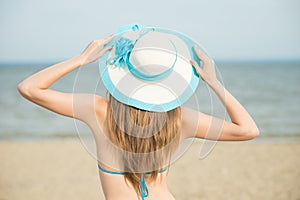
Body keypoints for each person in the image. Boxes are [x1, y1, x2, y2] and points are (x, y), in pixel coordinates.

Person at [18, 26, 259, 200]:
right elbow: (248, 130)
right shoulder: (180, 119)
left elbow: (29, 88)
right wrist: (214, 82)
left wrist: (80, 60)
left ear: (121, 75)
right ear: (170, 82)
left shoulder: (99, 110)